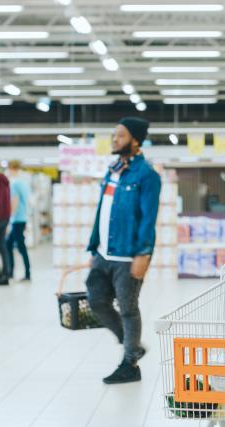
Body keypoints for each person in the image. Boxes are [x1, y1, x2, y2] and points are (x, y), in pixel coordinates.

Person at [85, 117, 161, 384]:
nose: (114, 139)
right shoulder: (113, 170)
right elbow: (103, 213)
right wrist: (95, 247)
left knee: (128, 308)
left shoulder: (147, 175)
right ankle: (133, 344)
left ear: (135, 140)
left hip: (129, 255)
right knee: (95, 300)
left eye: (120, 135)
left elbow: (148, 218)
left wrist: (143, 254)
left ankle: (130, 362)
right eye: (114, 134)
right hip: (103, 253)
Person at [6, 160, 31, 282]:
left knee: (21, 247)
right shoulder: (24, 183)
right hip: (22, 218)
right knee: (8, 244)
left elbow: (14, 202)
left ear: (13, 169)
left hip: (17, 219)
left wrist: (8, 217)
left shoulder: (15, 184)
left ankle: (27, 273)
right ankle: (10, 272)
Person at [0, 171, 10, 285]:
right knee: (2, 246)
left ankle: (4, 275)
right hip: (5, 217)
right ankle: (5, 274)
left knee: (1, 246)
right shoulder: (4, 180)